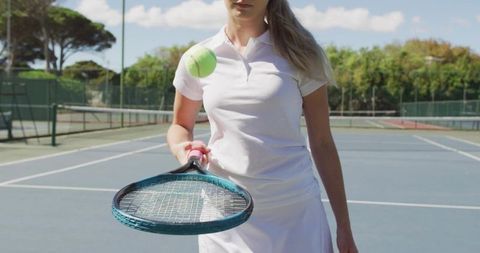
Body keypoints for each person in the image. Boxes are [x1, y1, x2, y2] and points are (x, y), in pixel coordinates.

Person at [167, 0, 358, 252]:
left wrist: (344, 227)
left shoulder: (301, 53)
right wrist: (183, 148)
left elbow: (322, 143)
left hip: (295, 216)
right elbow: (180, 124)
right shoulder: (198, 57)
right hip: (223, 216)